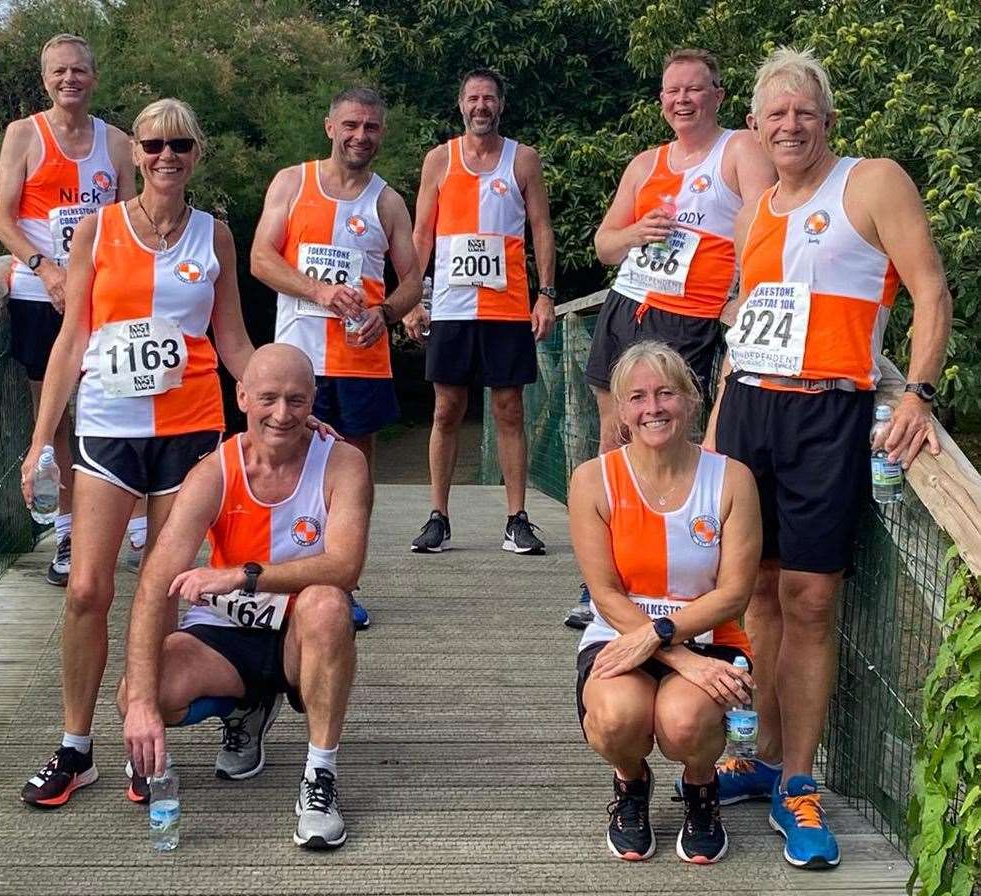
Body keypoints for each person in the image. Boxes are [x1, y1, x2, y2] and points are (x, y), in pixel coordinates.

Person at [704, 48, 952, 869]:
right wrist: (712, 432)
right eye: (775, 113)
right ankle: (766, 754)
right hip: (749, 412)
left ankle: (802, 779)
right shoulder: (756, 210)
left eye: (804, 111)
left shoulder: (872, 181)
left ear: (828, 120)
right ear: (755, 127)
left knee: (810, 599)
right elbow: (746, 326)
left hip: (828, 412)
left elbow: (929, 290)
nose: (790, 124)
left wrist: (917, 392)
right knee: (757, 592)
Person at [17, 97, 258, 809]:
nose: (165, 157)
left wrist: (285, 405)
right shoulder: (98, 230)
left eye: (179, 145)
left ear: (196, 154)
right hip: (108, 427)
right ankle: (75, 746)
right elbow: (71, 340)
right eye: (153, 145)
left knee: (161, 589)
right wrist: (39, 442)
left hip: (187, 430)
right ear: (135, 154)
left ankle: (142, 738)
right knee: (90, 587)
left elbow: (234, 342)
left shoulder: (214, 237)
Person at [122, 344, 369, 850]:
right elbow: (155, 582)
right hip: (225, 635)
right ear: (242, 397)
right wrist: (144, 705)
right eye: (269, 399)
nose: (282, 414)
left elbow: (346, 565)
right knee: (138, 692)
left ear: (314, 401)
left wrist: (243, 575)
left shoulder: (343, 462)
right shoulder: (213, 471)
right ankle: (246, 710)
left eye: (297, 401)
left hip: (300, 634)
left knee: (327, 602)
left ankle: (319, 777)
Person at [565, 48, 776, 630]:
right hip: (629, 306)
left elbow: (765, 227)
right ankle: (602, 583)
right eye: (671, 92)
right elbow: (605, 245)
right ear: (661, 101)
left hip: (691, 320)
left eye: (694, 89)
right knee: (617, 440)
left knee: (675, 442)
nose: (682, 100)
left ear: (718, 96)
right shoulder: (645, 163)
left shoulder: (740, 150)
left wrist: (742, 295)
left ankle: (681, 577)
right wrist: (635, 231)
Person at [570, 341, 760, 865]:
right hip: (620, 631)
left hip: (711, 636)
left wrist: (665, 639)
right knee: (615, 718)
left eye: (665, 393)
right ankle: (631, 784)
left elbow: (734, 593)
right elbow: (605, 593)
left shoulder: (731, 479)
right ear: (622, 411)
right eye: (637, 397)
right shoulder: (593, 479)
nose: (652, 407)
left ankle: (701, 790)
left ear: (690, 401)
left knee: (683, 723)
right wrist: (673, 652)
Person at [251, 86, 422, 630]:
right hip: (296, 363)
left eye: (370, 127)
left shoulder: (387, 201)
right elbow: (259, 258)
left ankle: (342, 586)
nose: (359, 136)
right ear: (330, 127)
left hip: (359, 360)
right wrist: (318, 291)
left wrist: (388, 314)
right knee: (281, 469)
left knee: (353, 481)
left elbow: (414, 279)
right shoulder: (292, 182)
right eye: (351, 125)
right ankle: (278, 582)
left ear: (381, 133)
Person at [0, 33, 134, 586]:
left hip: (103, 297)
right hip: (38, 293)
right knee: (52, 416)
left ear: (94, 77)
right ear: (45, 79)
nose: (69, 79)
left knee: (113, 403)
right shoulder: (23, 134)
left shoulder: (119, 143)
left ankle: (128, 525)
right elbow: (3, 218)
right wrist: (46, 269)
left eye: (78, 70)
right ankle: (69, 533)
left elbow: (128, 223)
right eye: (58, 72)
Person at [404, 68, 556, 555]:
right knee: (446, 408)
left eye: (489, 98)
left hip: (506, 306)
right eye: (473, 98)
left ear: (501, 105)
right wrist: (412, 297)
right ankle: (438, 517)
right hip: (450, 306)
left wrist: (547, 294)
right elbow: (421, 233)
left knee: (509, 408)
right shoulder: (439, 160)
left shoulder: (523, 159)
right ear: (461, 104)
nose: (481, 106)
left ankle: (516, 518)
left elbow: (541, 229)